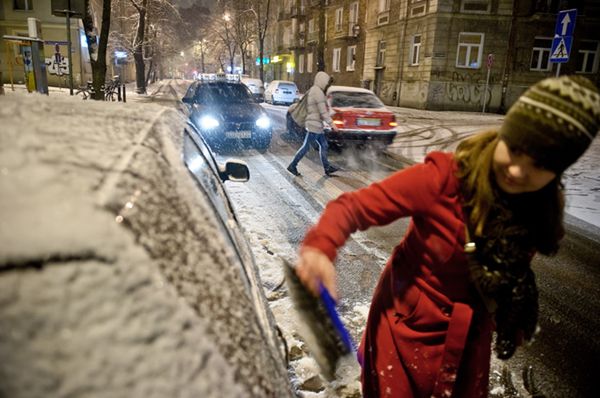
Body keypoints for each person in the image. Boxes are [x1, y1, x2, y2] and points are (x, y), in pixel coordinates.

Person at [293, 75, 600, 397]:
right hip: (403, 335)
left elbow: (512, 267)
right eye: (516, 148)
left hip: (467, 344)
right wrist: (319, 248)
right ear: (504, 135)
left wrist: (515, 296)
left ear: (557, 173)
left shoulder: (538, 209)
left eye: (540, 164)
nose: (518, 170)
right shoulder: (444, 179)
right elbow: (352, 207)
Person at [287, 71, 339, 177]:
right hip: (314, 125)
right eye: (325, 82)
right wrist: (332, 124)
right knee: (306, 147)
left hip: (316, 124)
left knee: (323, 145)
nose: (326, 84)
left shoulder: (315, 90)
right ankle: (293, 165)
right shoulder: (317, 92)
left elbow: (320, 109)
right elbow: (322, 111)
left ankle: (327, 167)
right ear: (322, 81)